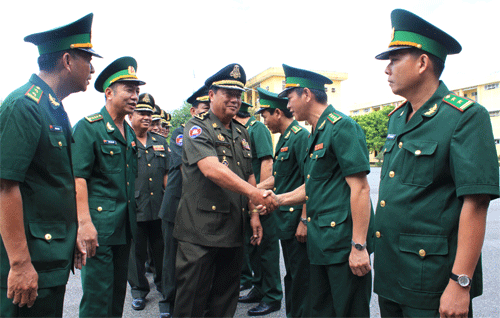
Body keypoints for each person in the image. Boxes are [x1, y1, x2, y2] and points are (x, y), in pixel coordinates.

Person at [373, 9, 500, 317]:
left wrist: (460, 283)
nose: (386, 69)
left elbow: (476, 202)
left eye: (395, 59)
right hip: (392, 275)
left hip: (431, 281)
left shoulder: (465, 117)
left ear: (422, 62)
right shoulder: (397, 118)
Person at [0, 13, 100, 317]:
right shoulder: (24, 106)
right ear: (67, 60)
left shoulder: (53, 109)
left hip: (49, 259)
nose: (92, 67)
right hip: (30, 264)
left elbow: (53, 183)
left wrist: (70, 238)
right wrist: (19, 264)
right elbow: (5, 186)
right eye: (87, 58)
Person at [172, 63, 276, 317]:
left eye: (238, 94)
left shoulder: (241, 132)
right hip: (200, 232)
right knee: (192, 302)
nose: (234, 99)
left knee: (224, 301)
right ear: (211, 95)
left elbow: (250, 174)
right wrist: (254, 194)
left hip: (232, 230)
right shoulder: (197, 128)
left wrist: (253, 214)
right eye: (228, 93)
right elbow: (211, 169)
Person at [271, 64, 374, 317]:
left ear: (307, 94)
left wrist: (359, 247)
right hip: (321, 244)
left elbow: (360, 189)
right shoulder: (316, 132)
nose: (288, 105)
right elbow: (313, 185)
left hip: (342, 246)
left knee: (349, 311)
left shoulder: (342, 127)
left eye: (290, 97)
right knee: (321, 311)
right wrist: (279, 199)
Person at [72, 56, 145, 317]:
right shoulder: (89, 128)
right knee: (96, 299)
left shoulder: (128, 133)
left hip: (124, 229)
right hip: (98, 230)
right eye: (129, 89)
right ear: (109, 92)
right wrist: (84, 223)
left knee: (116, 298)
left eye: (137, 90)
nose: (135, 96)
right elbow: (78, 178)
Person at [254, 87, 310, 317]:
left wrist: (305, 220)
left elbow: (311, 180)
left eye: (265, 116)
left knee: (301, 278)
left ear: (277, 113)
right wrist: (254, 189)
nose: (264, 121)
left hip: (297, 221)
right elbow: (282, 176)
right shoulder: (285, 138)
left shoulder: (300, 137)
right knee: (293, 275)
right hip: (285, 220)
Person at [158, 85, 210, 318]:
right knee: (172, 256)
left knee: (194, 257)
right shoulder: (182, 132)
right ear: (192, 111)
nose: (206, 113)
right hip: (177, 204)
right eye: (203, 109)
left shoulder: (211, 132)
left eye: (209, 108)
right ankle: (168, 303)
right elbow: (187, 168)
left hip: (197, 205)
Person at [236, 101, 283, 316]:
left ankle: (272, 296)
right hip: (248, 199)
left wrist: (260, 198)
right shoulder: (244, 131)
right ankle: (259, 287)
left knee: (266, 250)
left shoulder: (257, 129)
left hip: (258, 199)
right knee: (253, 247)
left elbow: (266, 162)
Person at [127, 93, 169, 311]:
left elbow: (167, 176)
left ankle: (164, 286)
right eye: (141, 113)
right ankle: (139, 290)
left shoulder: (160, 142)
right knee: (136, 253)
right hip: (134, 206)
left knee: (161, 249)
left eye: (149, 113)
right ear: (130, 115)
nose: (146, 117)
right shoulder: (123, 139)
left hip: (159, 205)